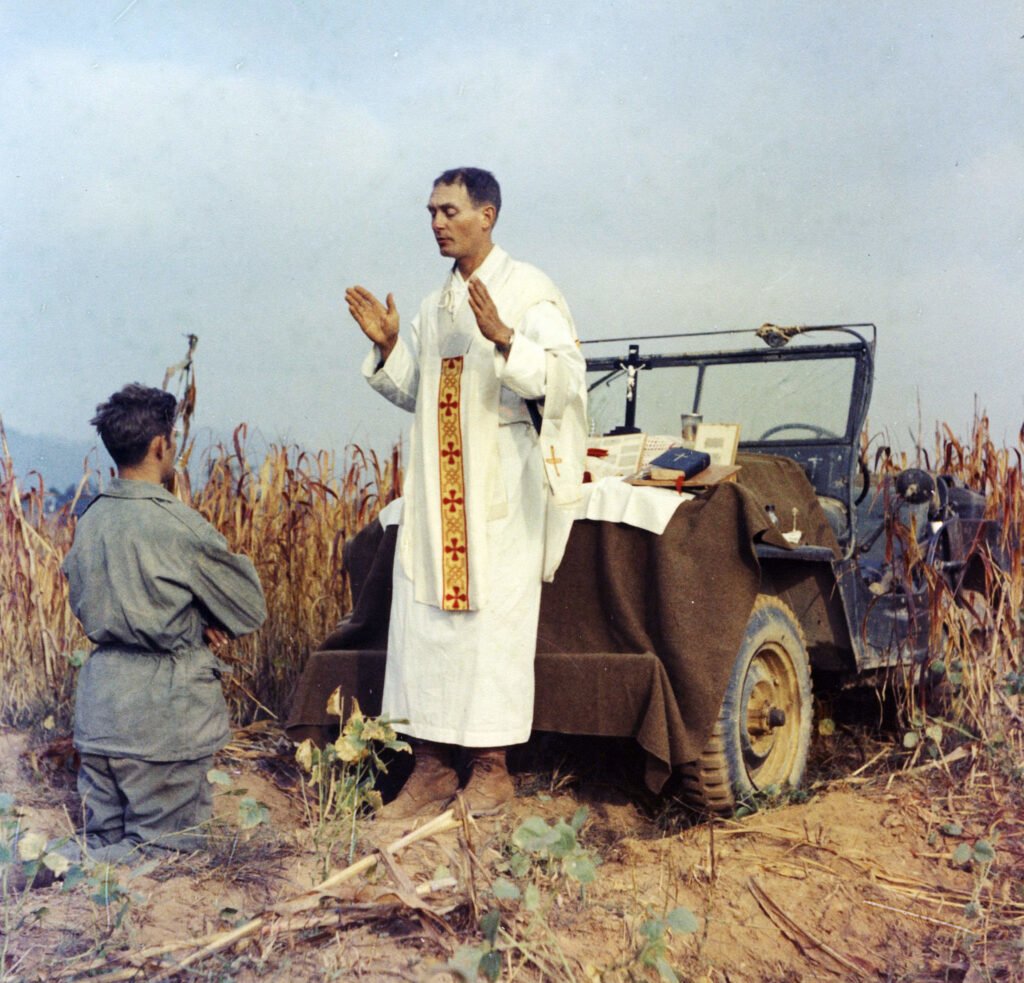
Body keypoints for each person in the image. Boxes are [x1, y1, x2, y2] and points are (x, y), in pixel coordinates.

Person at [345, 167, 587, 819]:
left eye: (449, 210)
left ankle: (490, 770)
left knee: (490, 632)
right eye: (430, 212)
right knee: (425, 626)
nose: (437, 223)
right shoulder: (433, 306)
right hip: (436, 493)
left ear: (488, 214)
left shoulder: (530, 291)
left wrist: (508, 338)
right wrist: (393, 344)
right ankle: (427, 770)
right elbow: (414, 391)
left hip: (498, 494)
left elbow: (567, 379)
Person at [62, 383, 267, 863]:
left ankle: (47, 868)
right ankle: (41, 867)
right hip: (163, 724)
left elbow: (87, 599)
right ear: (161, 445)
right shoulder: (179, 526)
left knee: (101, 847)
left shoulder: (90, 520)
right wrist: (197, 620)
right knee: (165, 859)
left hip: (99, 720)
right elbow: (248, 607)